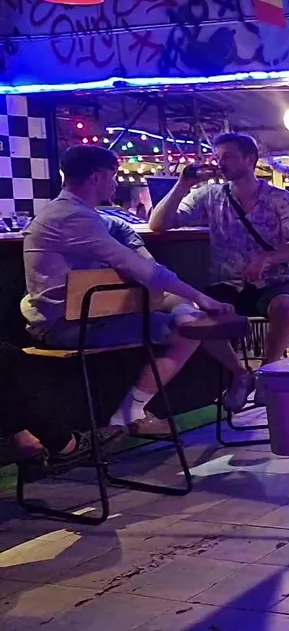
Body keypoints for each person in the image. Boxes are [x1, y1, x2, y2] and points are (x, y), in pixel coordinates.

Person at [21, 145, 255, 435]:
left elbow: (121, 229)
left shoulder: (71, 212)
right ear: (96, 178)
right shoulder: (73, 218)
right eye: (113, 175)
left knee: (185, 312)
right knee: (189, 331)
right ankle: (130, 413)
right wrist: (200, 297)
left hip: (77, 317)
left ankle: (198, 328)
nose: (115, 183)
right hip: (68, 327)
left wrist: (139, 251)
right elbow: (144, 271)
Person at [150, 133, 289, 366]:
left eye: (227, 156)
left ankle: (267, 370)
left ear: (250, 159)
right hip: (224, 284)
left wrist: (268, 258)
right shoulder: (209, 196)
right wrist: (182, 184)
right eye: (218, 157)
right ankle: (239, 374)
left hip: (271, 283)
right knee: (196, 317)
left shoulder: (279, 199)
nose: (220, 163)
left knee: (287, 307)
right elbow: (157, 224)